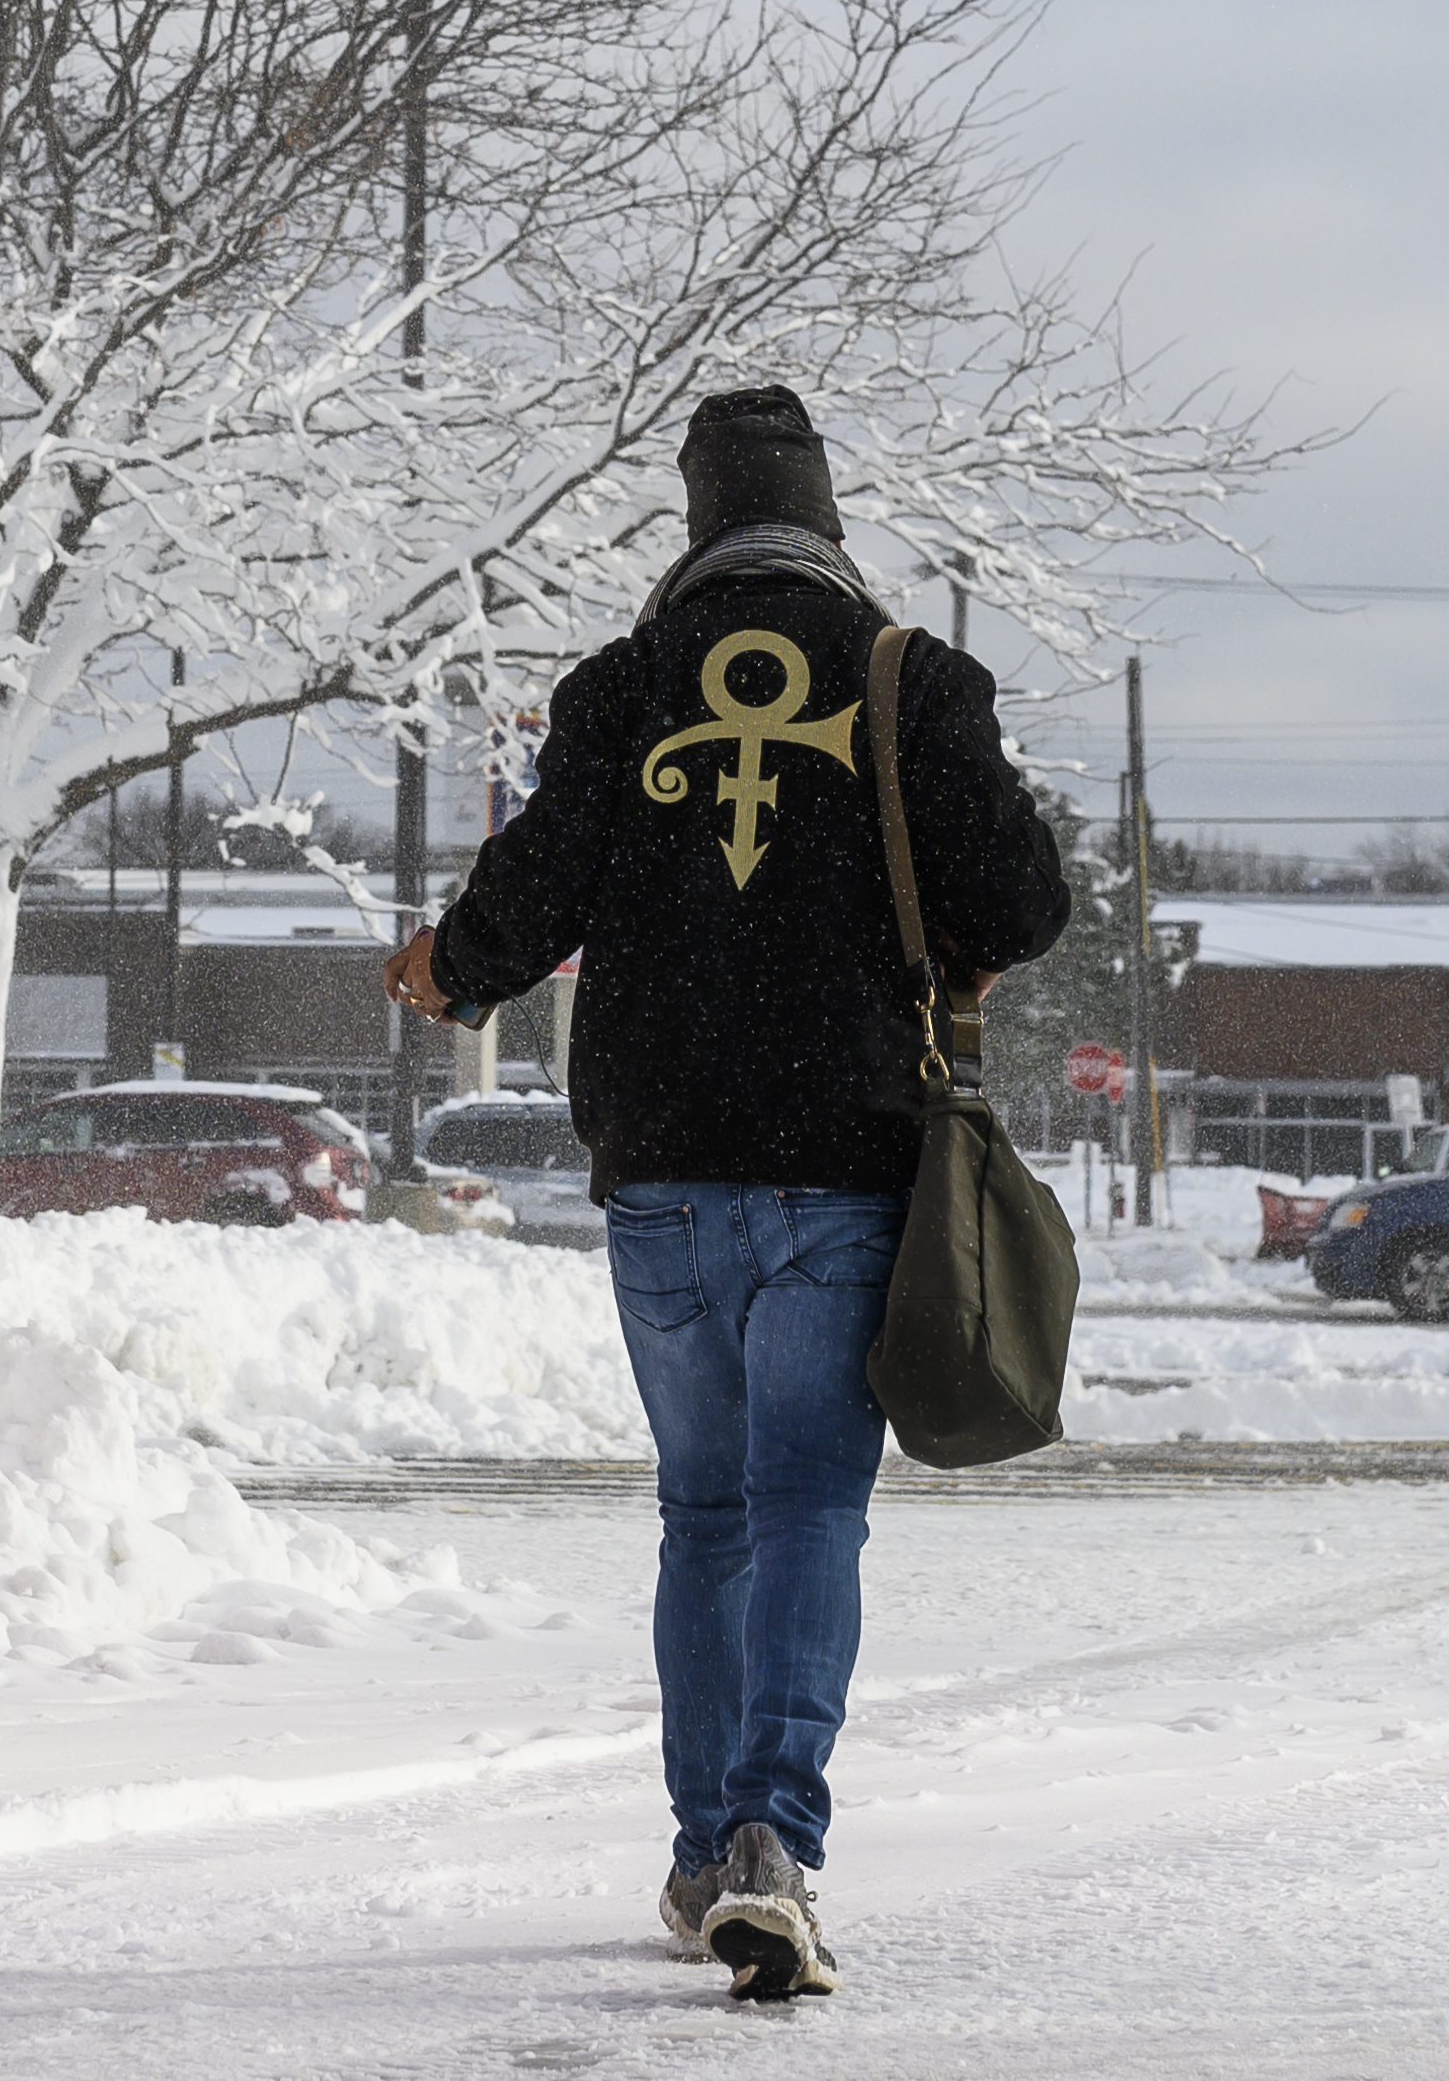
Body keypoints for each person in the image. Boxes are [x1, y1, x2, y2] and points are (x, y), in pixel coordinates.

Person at [384, 384, 1068, 2001]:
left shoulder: (622, 686)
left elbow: (534, 885)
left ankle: (703, 1858)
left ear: (694, 521)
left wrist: (447, 970)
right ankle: (774, 1837)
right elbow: (1021, 903)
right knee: (808, 1505)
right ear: (824, 516)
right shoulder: (912, 680)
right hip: (845, 1160)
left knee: (702, 1515)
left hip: (664, 1163)